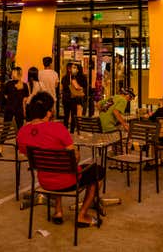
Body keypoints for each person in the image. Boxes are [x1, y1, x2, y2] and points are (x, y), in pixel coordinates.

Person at [17, 91, 104, 227]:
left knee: (56, 165)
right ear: (48, 112)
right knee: (98, 171)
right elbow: (75, 157)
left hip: (44, 182)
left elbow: (25, 154)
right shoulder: (57, 128)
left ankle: (58, 211)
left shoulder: (22, 132)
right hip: (68, 182)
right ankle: (82, 215)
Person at [61, 63, 77, 133]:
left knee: (66, 115)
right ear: (69, 69)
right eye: (73, 68)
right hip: (72, 98)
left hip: (65, 98)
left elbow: (61, 88)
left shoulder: (64, 77)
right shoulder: (73, 78)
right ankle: (72, 130)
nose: (75, 69)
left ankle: (65, 129)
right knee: (73, 115)